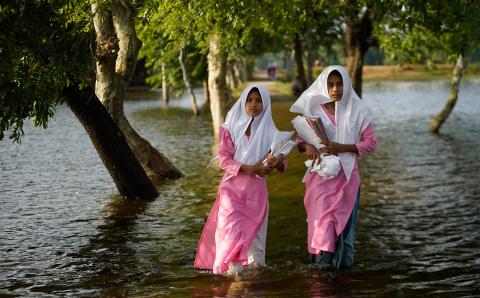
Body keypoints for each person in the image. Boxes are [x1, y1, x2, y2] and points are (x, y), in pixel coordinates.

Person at [290, 65, 377, 270]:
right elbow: (298, 141)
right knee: (321, 228)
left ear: (346, 85)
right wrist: (308, 146)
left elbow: (371, 143)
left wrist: (342, 147)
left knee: (346, 233)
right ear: (324, 86)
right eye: (331, 84)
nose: (335, 88)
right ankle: (321, 277)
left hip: (348, 180)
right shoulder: (313, 111)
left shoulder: (357, 111)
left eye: (339, 84)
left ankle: (343, 278)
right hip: (320, 180)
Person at [194, 85, 285, 275]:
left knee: (256, 243)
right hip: (231, 191)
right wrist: (250, 168)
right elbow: (224, 160)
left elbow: (280, 167)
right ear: (243, 102)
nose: (254, 104)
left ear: (265, 104)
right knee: (230, 235)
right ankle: (230, 280)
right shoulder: (230, 128)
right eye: (250, 100)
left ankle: (252, 283)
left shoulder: (273, 133)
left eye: (259, 100)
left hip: (256, 193)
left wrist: (277, 162)